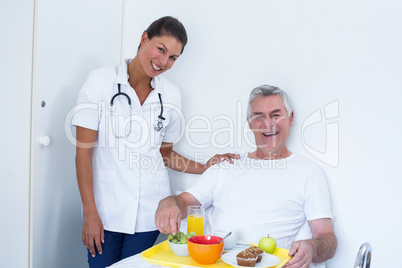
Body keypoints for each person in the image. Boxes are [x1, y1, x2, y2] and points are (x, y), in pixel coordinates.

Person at [72, 16, 238, 268]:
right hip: (105, 211)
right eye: (161, 49)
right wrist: (90, 213)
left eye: (173, 57)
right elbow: (82, 153)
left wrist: (206, 166)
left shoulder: (170, 95)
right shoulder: (100, 82)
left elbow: (166, 153)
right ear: (144, 39)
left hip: (149, 214)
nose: (164, 61)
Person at [155, 85, 337, 268]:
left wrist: (312, 247)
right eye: (259, 116)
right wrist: (170, 202)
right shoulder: (225, 166)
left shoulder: (309, 172)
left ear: (290, 118)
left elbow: (327, 239)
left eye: (276, 115)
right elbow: (185, 202)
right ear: (249, 123)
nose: (268, 123)